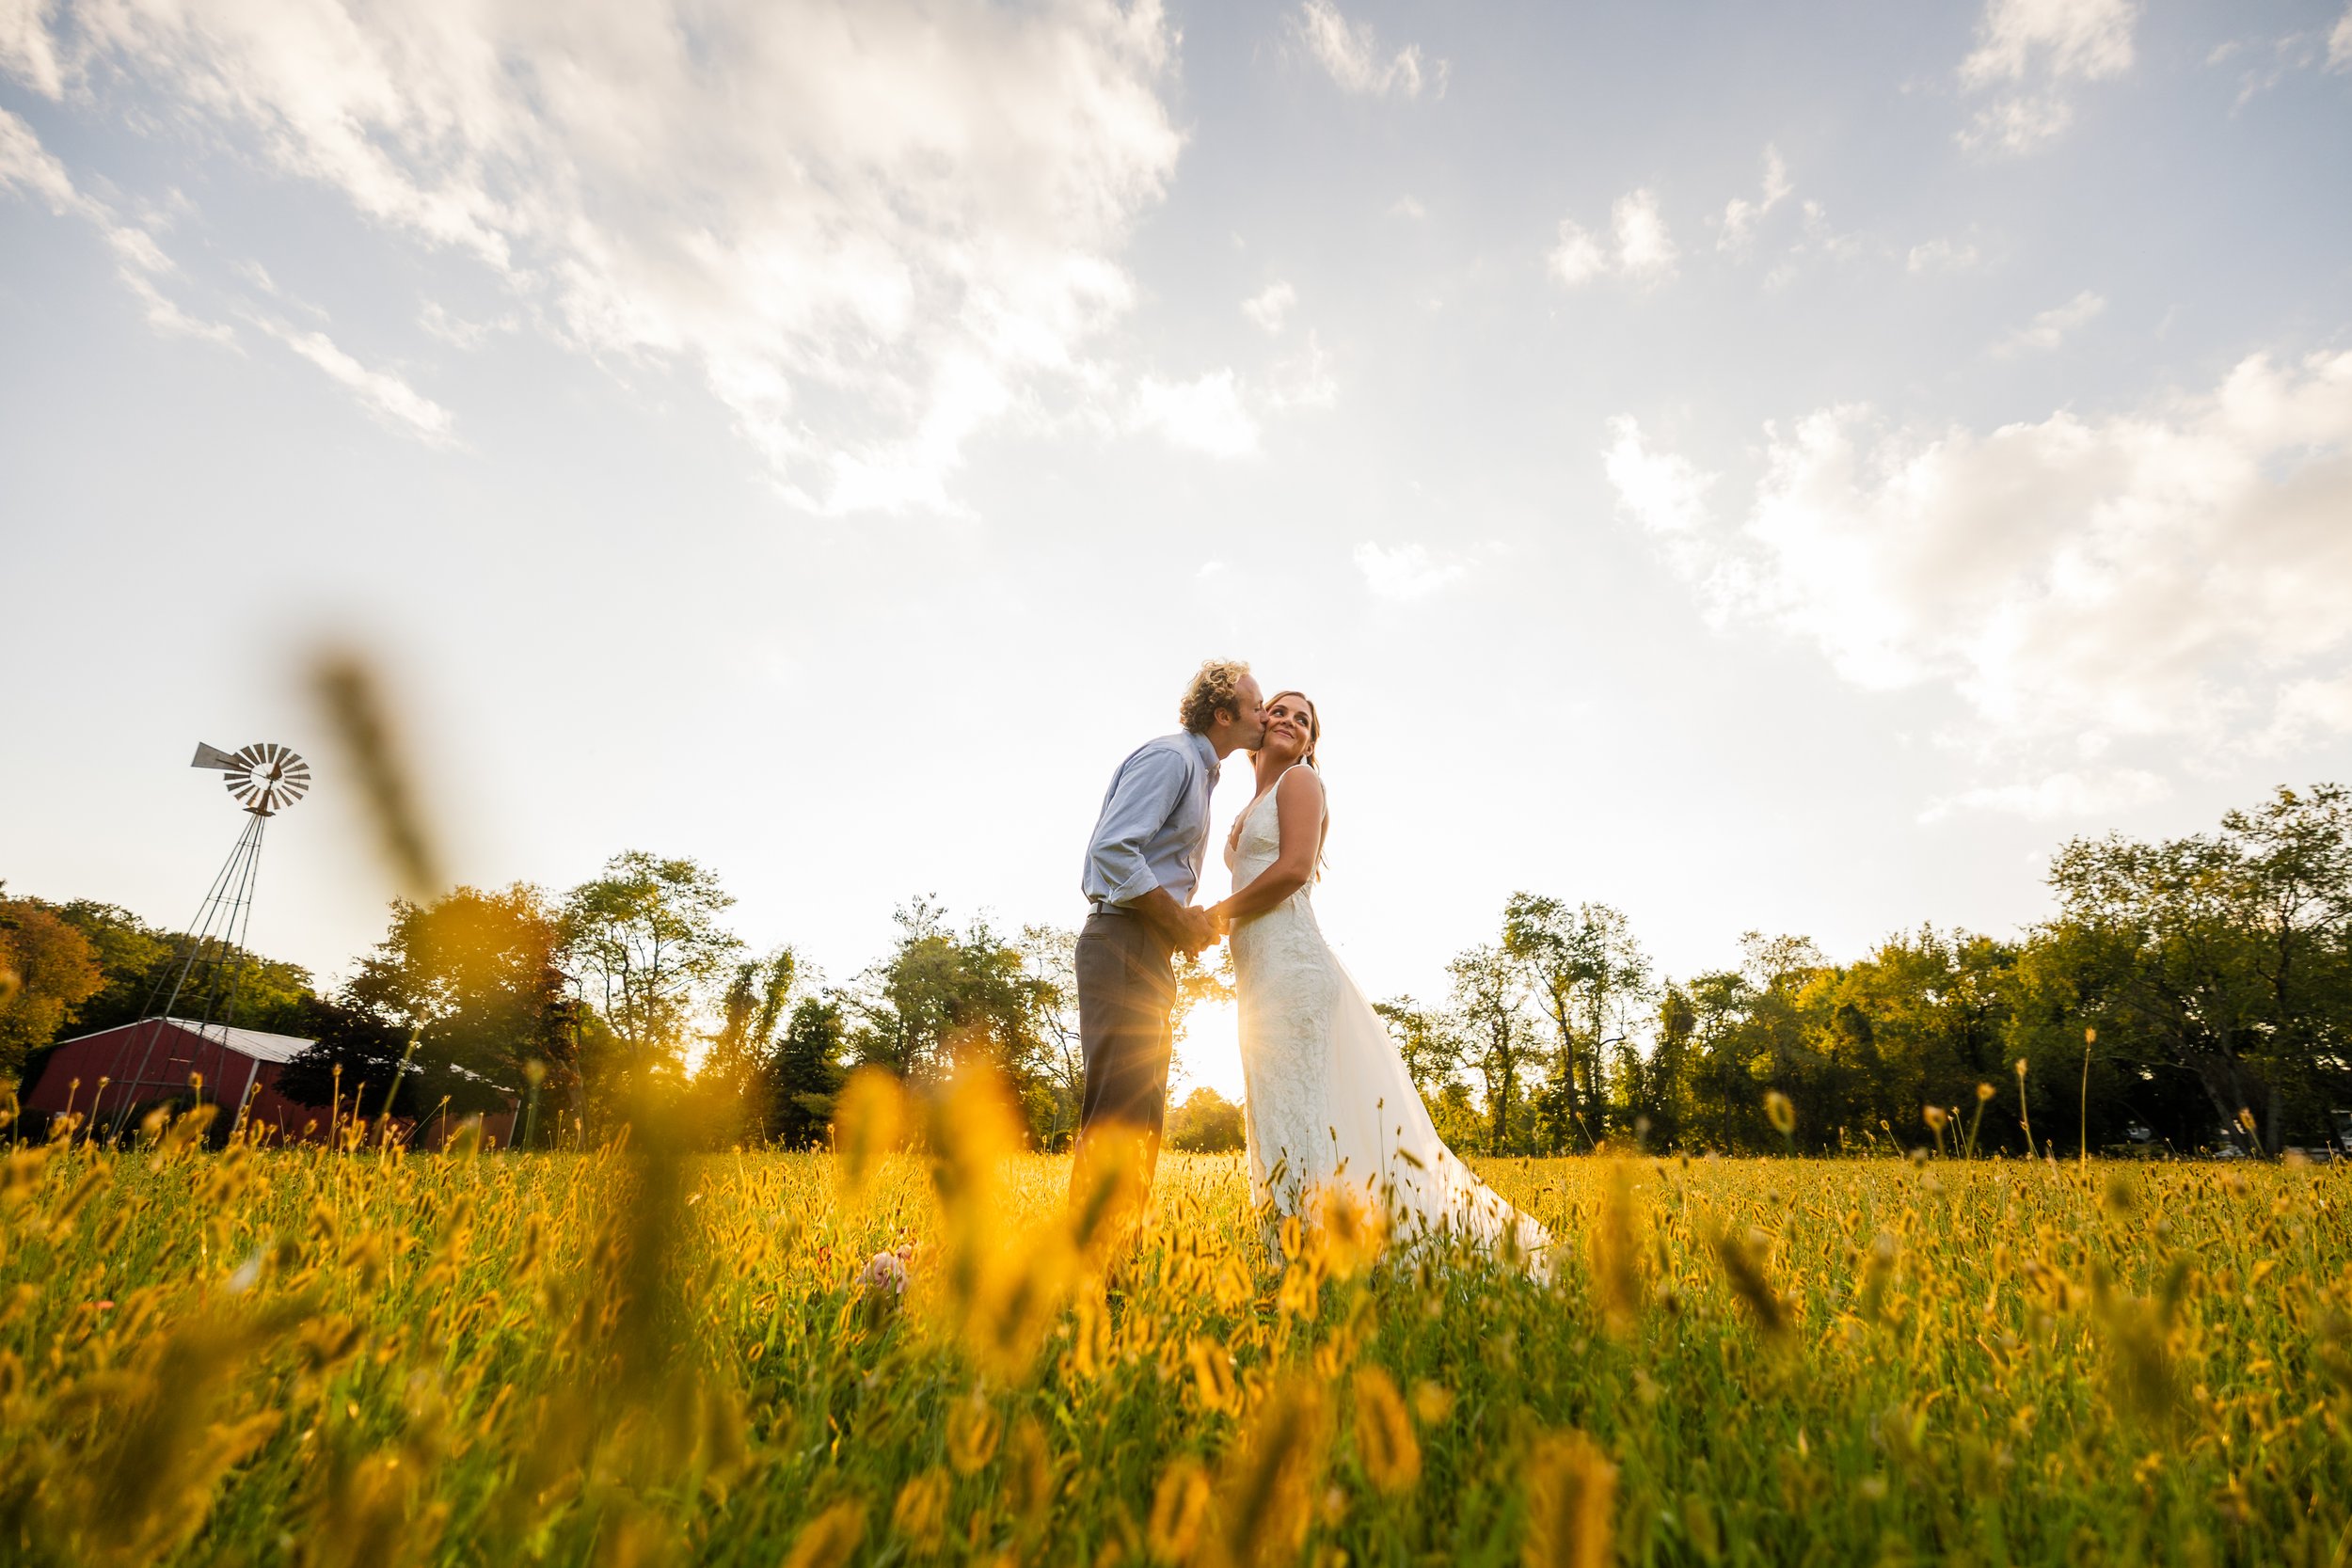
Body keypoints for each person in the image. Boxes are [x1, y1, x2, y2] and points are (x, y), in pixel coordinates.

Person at [1207, 690, 1553, 1275]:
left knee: (1300, 1115)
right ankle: (1291, 1250)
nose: (1291, 721)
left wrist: (1216, 914)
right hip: (1258, 977)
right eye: (1282, 711)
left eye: (1305, 720)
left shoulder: (1300, 783)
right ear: (1259, 723)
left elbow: (1292, 870)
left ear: (1311, 743)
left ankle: (1308, 1260)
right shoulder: (1252, 801)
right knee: (1277, 1112)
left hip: (1293, 967)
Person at [1072, 659, 1264, 1198]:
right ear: (1223, 715)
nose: (1266, 717)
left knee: (1142, 1116)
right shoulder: (1171, 758)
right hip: (1123, 942)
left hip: (1145, 949)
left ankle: (1119, 1259)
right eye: (1256, 707)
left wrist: (1183, 924)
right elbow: (1112, 850)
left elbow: (1157, 865)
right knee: (1118, 1113)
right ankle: (1091, 1264)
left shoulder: (1201, 772)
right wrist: (1179, 920)